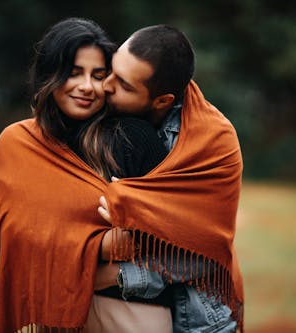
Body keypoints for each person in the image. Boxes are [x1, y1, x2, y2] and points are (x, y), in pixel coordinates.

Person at [0, 17, 174, 333]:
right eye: (74, 73)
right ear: (49, 76)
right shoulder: (18, 144)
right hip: (54, 314)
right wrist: (102, 245)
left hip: (129, 313)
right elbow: (15, 240)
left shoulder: (132, 137)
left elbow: (175, 230)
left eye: (98, 75)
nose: (87, 86)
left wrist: (120, 248)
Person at [91, 25, 245, 332]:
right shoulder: (105, 111)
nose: (105, 85)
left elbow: (204, 253)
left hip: (198, 320)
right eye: (111, 70)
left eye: (124, 85)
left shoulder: (214, 143)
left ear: (162, 101)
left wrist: (115, 275)